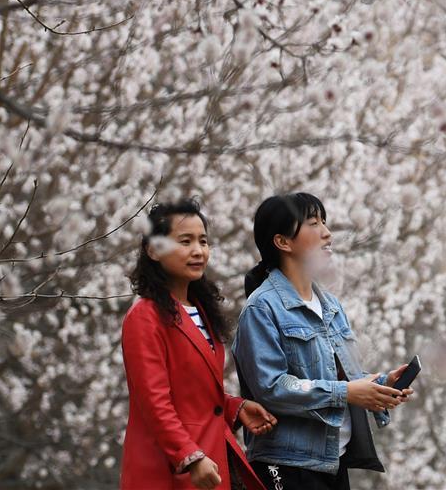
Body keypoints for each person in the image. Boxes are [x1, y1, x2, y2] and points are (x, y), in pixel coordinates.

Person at [233, 192, 415, 490]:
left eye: (325, 222)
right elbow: (272, 387)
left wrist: (381, 385)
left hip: (333, 461)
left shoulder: (329, 305)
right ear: (283, 242)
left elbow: (342, 378)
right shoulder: (261, 308)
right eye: (313, 223)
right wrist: (347, 392)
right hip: (288, 465)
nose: (327, 233)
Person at [121, 198, 277, 490]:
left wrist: (234, 407)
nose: (198, 251)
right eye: (185, 241)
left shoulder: (200, 310)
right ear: (153, 250)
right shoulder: (144, 316)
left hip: (211, 456)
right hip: (170, 469)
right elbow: (154, 402)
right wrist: (189, 457)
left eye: (203, 241)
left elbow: (193, 393)